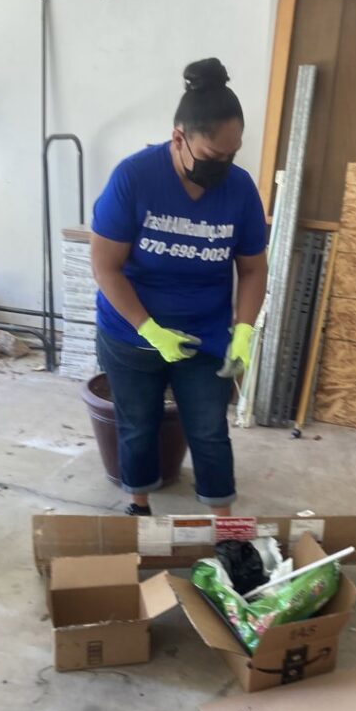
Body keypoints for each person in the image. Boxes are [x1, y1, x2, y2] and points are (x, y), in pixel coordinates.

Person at [90, 58, 268, 518]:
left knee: (209, 430)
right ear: (179, 138)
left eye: (233, 155)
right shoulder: (134, 179)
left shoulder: (241, 190)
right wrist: (149, 330)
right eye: (212, 157)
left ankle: (226, 531)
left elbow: (251, 269)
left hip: (204, 333)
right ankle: (139, 509)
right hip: (132, 333)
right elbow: (105, 267)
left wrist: (243, 332)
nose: (223, 167)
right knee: (137, 426)